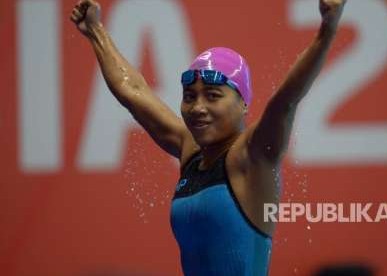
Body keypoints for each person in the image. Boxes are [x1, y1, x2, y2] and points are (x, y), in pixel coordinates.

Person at [70, 0, 347, 275]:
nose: (198, 108)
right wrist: (96, 31)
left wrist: (327, 30)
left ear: (243, 103)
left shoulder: (252, 156)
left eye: (213, 96)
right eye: (190, 97)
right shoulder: (189, 150)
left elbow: (286, 100)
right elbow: (132, 91)